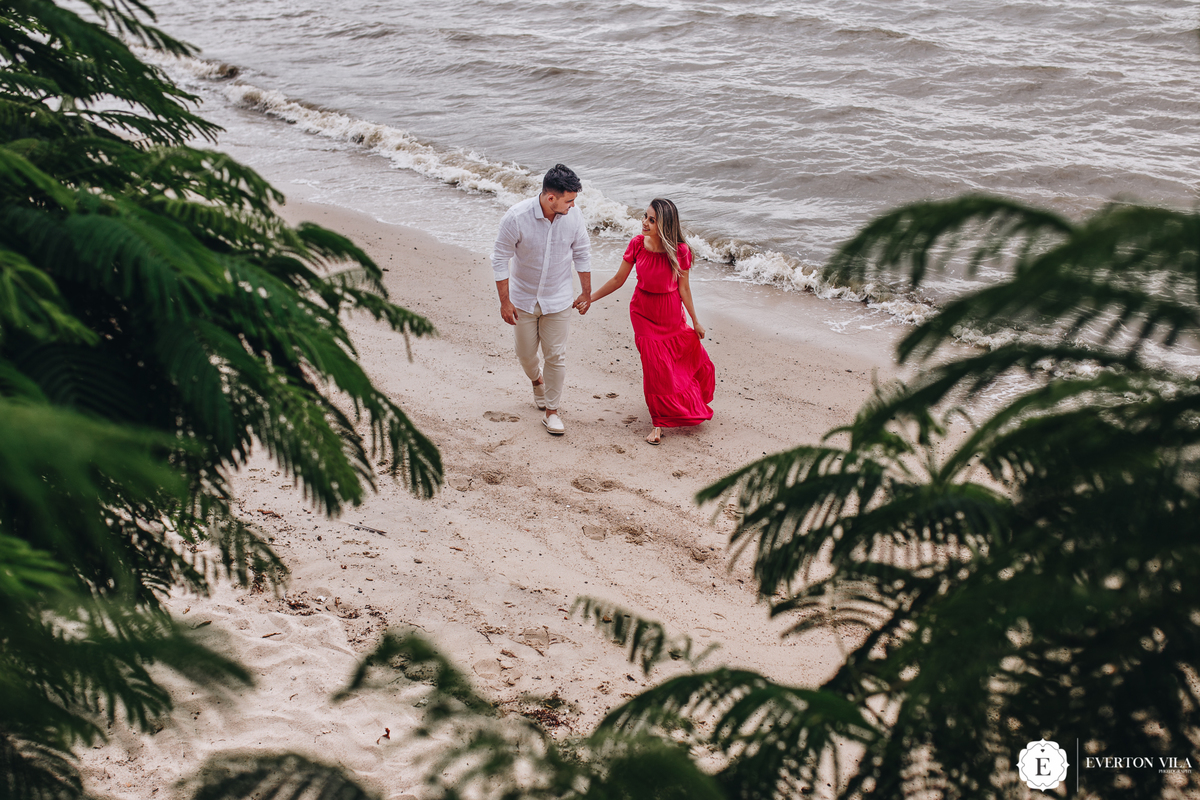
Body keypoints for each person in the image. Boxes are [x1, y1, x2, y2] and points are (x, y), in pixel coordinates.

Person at [584, 198, 714, 445]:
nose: (644, 222)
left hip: (671, 315)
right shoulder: (636, 245)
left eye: (651, 219)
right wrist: (591, 298)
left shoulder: (680, 251)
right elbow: (618, 279)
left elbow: (684, 289)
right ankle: (658, 422)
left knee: (678, 362)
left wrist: (696, 321)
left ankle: (684, 401)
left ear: (664, 224)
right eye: (645, 216)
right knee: (655, 369)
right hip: (643, 313)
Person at [491, 164, 592, 435]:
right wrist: (504, 301)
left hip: (558, 298)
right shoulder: (517, 217)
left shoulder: (574, 216)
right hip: (523, 299)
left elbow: (582, 253)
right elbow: (500, 259)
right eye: (568, 200)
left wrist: (586, 292)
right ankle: (536, 380)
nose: (573, 205)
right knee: (525, 354)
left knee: (556, 356)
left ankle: (552, 411)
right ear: (551, 199)